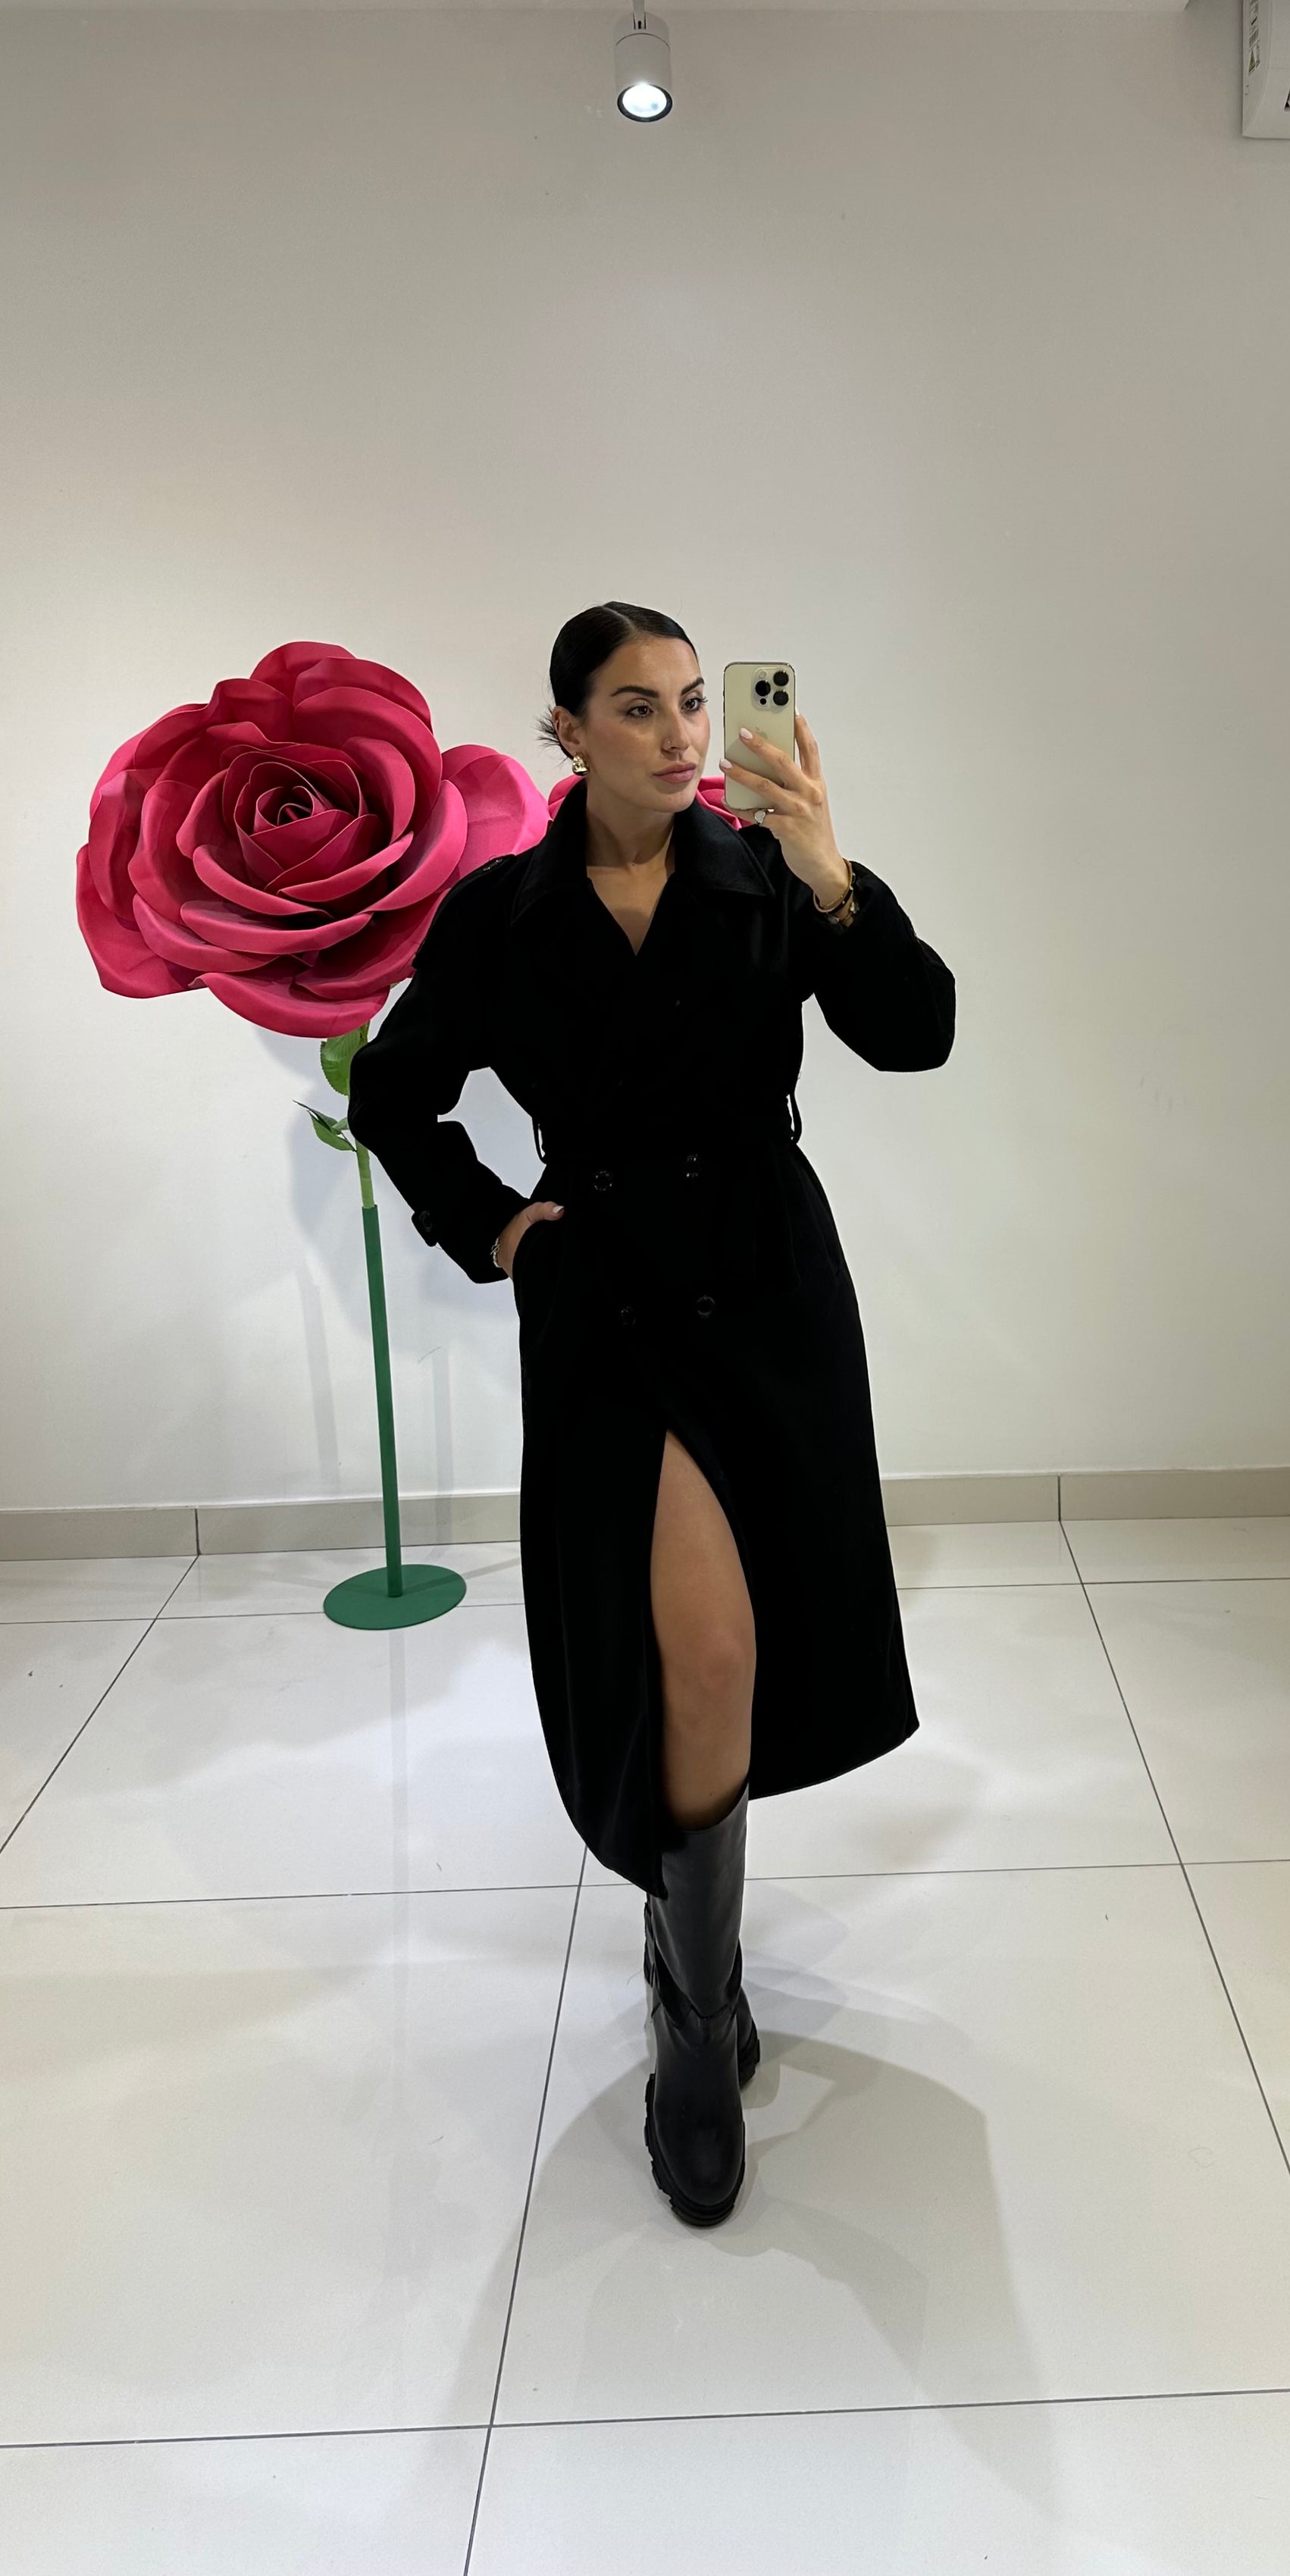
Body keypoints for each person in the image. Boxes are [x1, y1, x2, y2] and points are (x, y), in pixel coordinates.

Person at [347, 602, 956, 2227]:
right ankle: (697, 2020)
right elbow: (392, 1094)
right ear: (564, 729)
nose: (683, 734)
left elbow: (917, 1033)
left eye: (695, 701)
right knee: (701, 1653)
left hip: (766, 1289)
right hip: (610, 1301)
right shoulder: (500, 912)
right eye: (637, 707)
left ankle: (696, 1960)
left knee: (757, 1644)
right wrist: (498, 1227)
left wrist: (831, 871)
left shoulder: (770, 878)